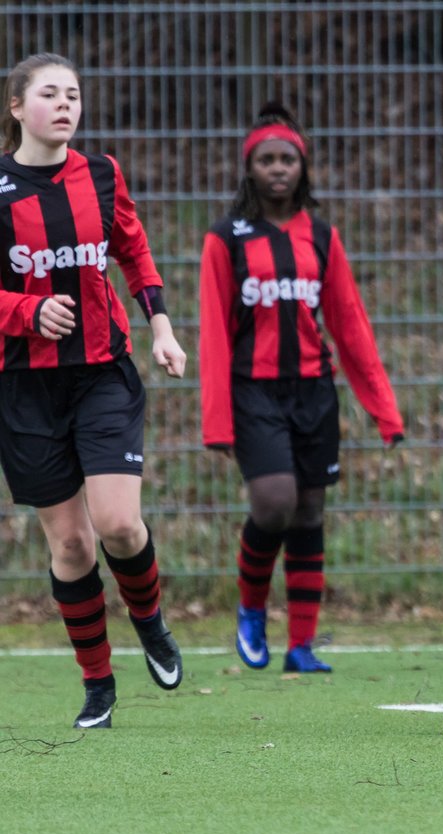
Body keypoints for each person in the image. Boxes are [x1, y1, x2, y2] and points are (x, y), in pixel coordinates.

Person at [0, 53, 186, 728]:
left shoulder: (102, 174)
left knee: (118, 524)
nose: (64, 104)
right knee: (73, 546)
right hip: (23, 387)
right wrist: (26, 312)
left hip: (103, 374)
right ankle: (98, 683)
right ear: (17, 107)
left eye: (73, 94)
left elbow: (133, 250)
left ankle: (151, 621)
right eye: (49, 93)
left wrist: (161, 327)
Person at [199, 102, 404, 674]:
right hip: (253, 393)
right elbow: (213, 335)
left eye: (287, 158)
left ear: (303, 167)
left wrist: (384, 410)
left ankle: (301, 645)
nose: (278, 169)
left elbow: (350, 323)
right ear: (250, 168)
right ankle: (251, 607)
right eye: (266, 159)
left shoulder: (321, 235)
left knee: (310, 511)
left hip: (314, 392)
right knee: (274, 503)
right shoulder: (226, 240)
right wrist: (216, 421)